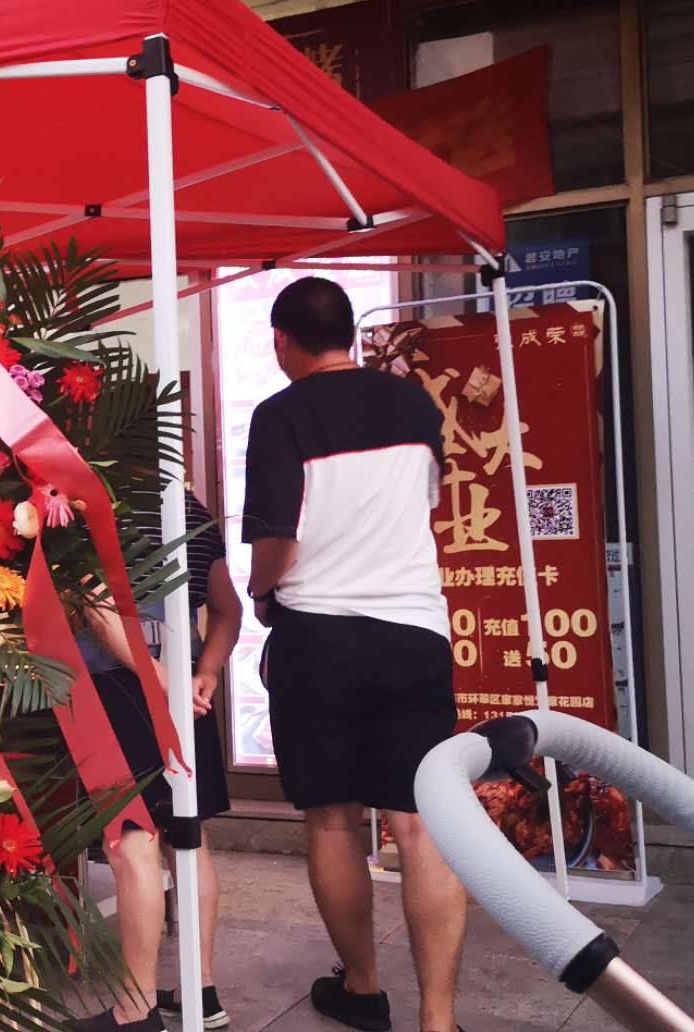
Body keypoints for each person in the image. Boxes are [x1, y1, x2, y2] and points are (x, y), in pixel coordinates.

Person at [242, 276, 466, 1032]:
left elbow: (277, 538)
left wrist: (261, 594)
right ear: (349, 332)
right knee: (422, 821)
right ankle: (439, 1019)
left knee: (333, 818)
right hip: (414, 630)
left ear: (282, 341)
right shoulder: (413, 403)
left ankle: (365, 991)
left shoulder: (281, 416)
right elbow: (426, 502)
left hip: (320, 637)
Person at [71, 492, 243, 1032]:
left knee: (130, 842)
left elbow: (98, 612)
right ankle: (201, 991)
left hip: (122, 689)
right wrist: (205, 672)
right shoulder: (188, 506)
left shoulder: (93, 496)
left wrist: (163, 685)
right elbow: (227, 608)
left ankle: (135, 1009)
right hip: (187, 684)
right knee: (188, 840)